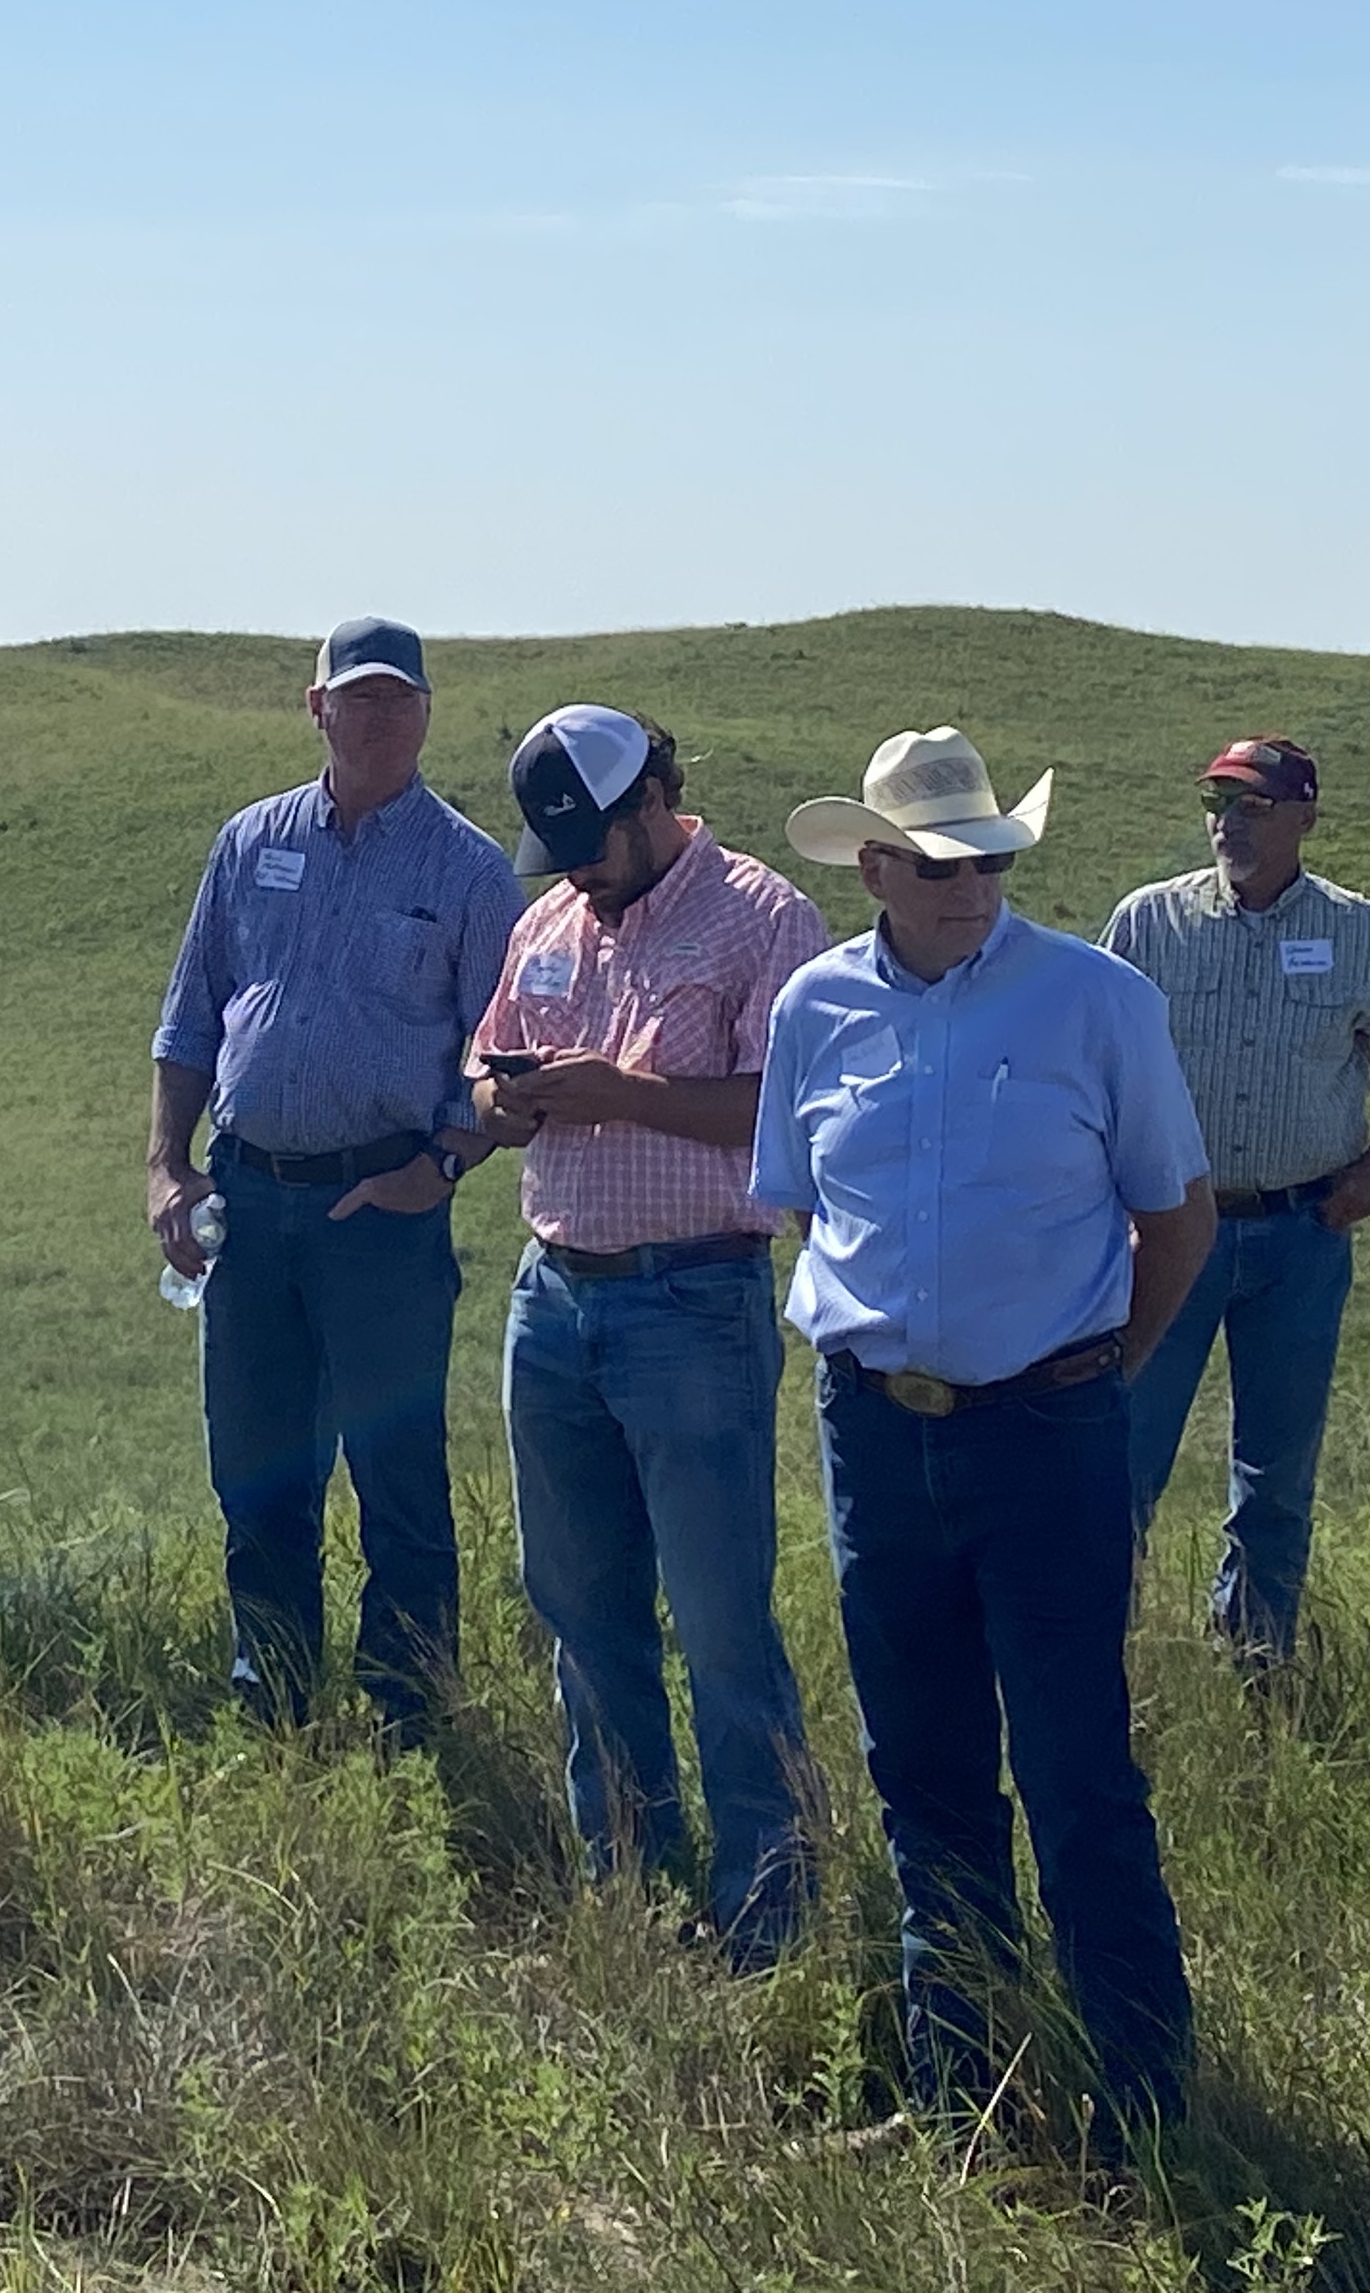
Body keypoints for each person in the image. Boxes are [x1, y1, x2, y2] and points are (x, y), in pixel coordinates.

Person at [754, 727, 1214, 2128]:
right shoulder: (815, 1008)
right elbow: (800, 1202)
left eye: (992, 858)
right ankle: (970, 2090)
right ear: (877, 867)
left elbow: (1176, 1222)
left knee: (1078, 1770)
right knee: (924, 1773)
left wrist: (1100, 1370)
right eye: (944, 862)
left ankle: (1141, 2099)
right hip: (877, 1433)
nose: (975, 883)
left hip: (1049, 1426)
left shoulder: (1096, 1000)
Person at [475, 705, 830, 1962]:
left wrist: (624, 1098)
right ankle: (625, 1881)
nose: (576, 868)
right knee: (580, 1609)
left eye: (595, 843)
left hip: (694, 1297)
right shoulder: (547, 922)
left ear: (657, 802)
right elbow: (483, 1066)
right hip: (553, 1291)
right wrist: (504, 1095)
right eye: (559, 847)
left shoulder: (766, 917)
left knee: (721, 1616)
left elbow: (783, 1110)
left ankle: (770, 1908)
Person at [149, 617, 522, 1737]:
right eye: (356, 697)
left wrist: (444, 1165)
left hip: (381, 1208)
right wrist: (168, 1167)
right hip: (249, 1201)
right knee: (257, 1468)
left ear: (425, 712)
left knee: (397, 1471)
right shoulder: (250, 841)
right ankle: (272, 1699)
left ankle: (411, 1713)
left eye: (399, 699)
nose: (379, 716)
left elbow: (502, 1055)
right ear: (314, 707)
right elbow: (189, 1021)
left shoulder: (466, 869)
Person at [1107, 734, 1370, 1659]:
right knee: (1124, 1450)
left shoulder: (1359, 931)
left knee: (1276, 1469)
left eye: (1253, 806)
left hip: (1303, 1230)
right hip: (1167, 1229)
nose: (1229, 822)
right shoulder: (1150, 920)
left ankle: (1256, 1657)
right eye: (1219, 804)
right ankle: (1101, 1648)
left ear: (1305, 816)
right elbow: (1090, 1053)